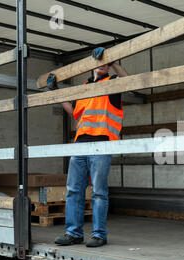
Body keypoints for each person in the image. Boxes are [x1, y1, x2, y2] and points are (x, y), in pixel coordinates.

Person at [49, 47, 128, 247]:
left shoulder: (112, 84)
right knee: (74, 190)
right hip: (80, 145)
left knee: (99, 191)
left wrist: (116, 62)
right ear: (91, 66)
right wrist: (56, 91)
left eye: (106, 63)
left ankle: (99, 234)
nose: (102, 65)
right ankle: (73, 233)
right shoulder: (84, 87)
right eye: (99, 62)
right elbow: (75, 113)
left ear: (109, 67)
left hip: (101, 145)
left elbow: (128, 82)